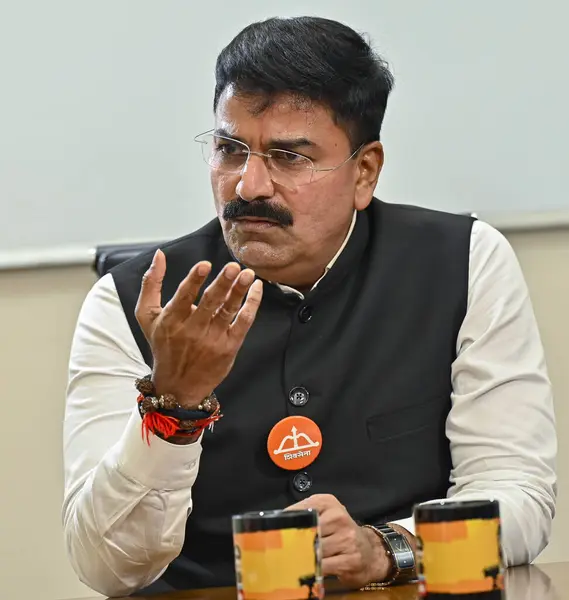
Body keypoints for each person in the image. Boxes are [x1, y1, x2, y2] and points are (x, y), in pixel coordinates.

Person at [62, 15, 557, 598]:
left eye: (289, 157)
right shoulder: (132, 302)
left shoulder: (463, 263)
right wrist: (174, 407)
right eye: (229, 150)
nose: (248, 186)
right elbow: (106, 567)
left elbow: (518, 493)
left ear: (364, 171)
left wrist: (389, 548)